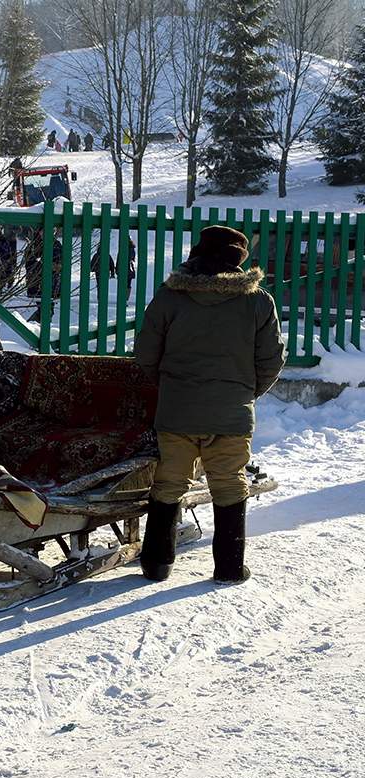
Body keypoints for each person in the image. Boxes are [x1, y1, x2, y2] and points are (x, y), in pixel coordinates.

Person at [133, 226, 285, 585]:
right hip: (231, 413)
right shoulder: (259, 301)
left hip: (177, 411)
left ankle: (157, 565)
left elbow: (145, 354)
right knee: (230, 484)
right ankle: (229, 568)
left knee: (168, 482)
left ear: (197, 256)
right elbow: (272, 360)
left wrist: (171, 389)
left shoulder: (170, 297)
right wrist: (243, 394)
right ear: (238, 262)